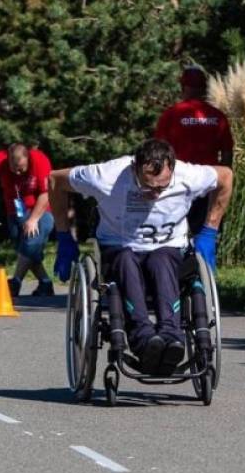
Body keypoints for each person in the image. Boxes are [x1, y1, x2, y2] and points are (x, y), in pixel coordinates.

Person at [47, 138, 233, 374]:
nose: (154, 194)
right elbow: (55, 180)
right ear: (134, 168)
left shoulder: (187, 176)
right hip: (119, 247)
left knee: (161, 260)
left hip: (167, 247)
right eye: (147, 186)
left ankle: (170, 337)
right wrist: (64, 236)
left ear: (172, 170)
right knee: (126, 260)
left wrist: (209, 231)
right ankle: (143, 340)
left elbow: (225, 176)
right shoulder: (106, 176)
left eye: (162, 187)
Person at [155, 65, 234, 248]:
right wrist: (224, 179)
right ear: (204, 88)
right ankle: (203, 268)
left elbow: (158, 151)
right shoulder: (217, 116)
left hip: (178, 182)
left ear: (183, 87)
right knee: (205, 231)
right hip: (209, 182)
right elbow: (227, 154)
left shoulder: (171, 115)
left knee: (174, 231)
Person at [0, 143, 56, 296]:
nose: (18, 173)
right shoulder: (0, 159)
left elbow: (46, 194)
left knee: (31, 243)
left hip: (41, 210)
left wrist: (33, 219)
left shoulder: (39, 160)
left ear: (27, 158)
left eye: (22, 168)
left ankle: (15, 282)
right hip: (15, 211)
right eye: (14, 168)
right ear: (8, 160)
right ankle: (45, 284)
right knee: (24, 250)